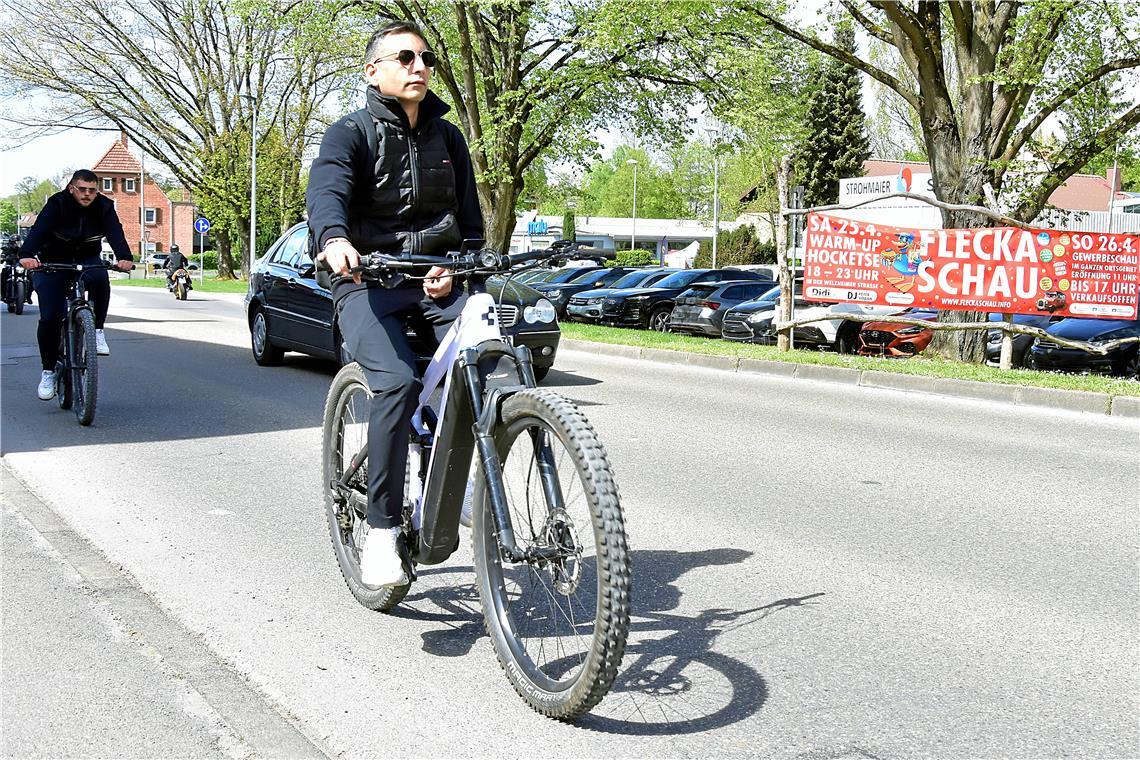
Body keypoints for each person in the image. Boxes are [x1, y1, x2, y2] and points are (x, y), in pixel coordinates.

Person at [307, 20, 483, 588]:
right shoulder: (349, 134)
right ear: (373, 71)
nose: (419, 66)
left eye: (425, 58)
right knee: (396, 381)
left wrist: (456, 267)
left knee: (491, 358)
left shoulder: (449, 139)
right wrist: (335, 240)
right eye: (404, 57)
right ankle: (382, 530)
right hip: (365, 282)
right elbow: (327, 194)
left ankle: (447, 480)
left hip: (434, 282)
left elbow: (470, 226)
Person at [18, 170, 134, 400]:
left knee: (100, 278)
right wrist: (27, 254)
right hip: (52, 259)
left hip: (86, 258)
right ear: (72, 188)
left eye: (92, 190)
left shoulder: (104, 206)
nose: (87, 194)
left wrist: (124, 256)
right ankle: (49, 371)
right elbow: (39, 229)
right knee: (51, 317)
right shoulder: (57, 203)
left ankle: (97, 330)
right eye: (82, 189)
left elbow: (114, 232)